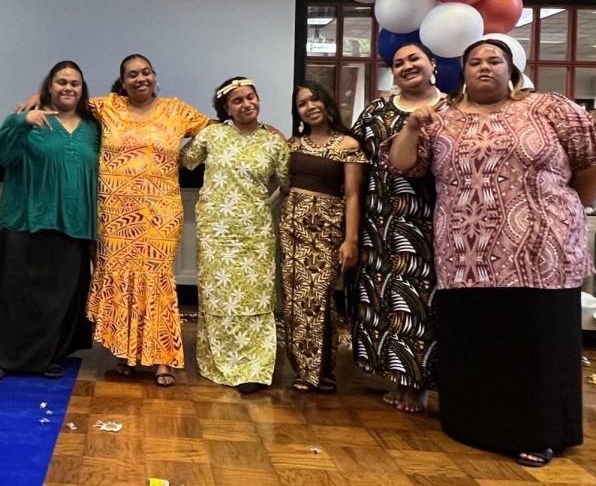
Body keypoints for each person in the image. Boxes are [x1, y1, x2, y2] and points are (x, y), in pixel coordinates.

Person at [389, 38, 596, 467]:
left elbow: (594, 156)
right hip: (465, 252)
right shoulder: (442, 119)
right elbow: (404, 165)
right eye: (474, 62)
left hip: (540, 252)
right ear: (463, 72)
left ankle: (539, 432)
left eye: (495, 60)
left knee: (536, 343)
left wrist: (566, 207)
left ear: (512, 69)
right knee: (479, 340)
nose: (484, 67)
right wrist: (411, 127)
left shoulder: (548, 108)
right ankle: (473, 423)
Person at [83, 54, 210, 386]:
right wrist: (34, 99)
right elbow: (66, 97)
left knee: (156, 280)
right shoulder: (106, 107)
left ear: (155, 76)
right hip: (114, 213)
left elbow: (215, 133)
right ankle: (125, 354)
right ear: (123, 82)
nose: (141, 79)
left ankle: (162, 360)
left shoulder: (177, 111)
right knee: (122, 279)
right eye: (132, 75)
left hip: (160, 214)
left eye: (146, 72)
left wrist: (263, 131)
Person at [0, 61, 98, 381]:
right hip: (25, 220)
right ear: (50, 86)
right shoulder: (29, 119)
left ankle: (49, 357)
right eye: (61, 82)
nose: (68, 88)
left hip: (73, 224)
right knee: (15, 293)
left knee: (58, 298)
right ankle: (3, 359)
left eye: (75, 82)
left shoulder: (94, 127)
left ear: (82, 88)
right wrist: (21, 120)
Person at [349, 42, 442, 413]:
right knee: (383, 300)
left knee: (421, 304)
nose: (406, 66)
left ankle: (418, 383)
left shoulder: (451, 110)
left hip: (429, 224)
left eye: (414, 59)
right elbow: (352, 156)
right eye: (398, 63)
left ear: (432, 64)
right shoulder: (375, 111)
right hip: (378, 221)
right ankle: (396, 377)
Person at [181, 77, 288, 394]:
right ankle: (220, 362)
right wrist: (197, 128)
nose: (246, 104)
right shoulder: (213, 136)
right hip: (216, 233)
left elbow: (287, 183)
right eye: (237, 100)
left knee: (255, 299)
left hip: (255, 233)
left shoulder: (274, 142)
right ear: (225, 108)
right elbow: (185, 161)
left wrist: (263, 204)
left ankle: (254, 367)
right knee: (218, 298)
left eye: (251, 97)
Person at [282, 81, 365, 393]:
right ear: (299, 113)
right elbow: (285, 184)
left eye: (315, 99)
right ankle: (303, 371)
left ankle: (323, 372)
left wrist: (351, 240)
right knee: (293, 303)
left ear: (327, 103)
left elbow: (354, 195)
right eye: (302, 103)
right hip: (290, 231)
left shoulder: (347, 145)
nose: (310, 106)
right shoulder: (293, 145)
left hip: (325, 232)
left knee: (317, 299)